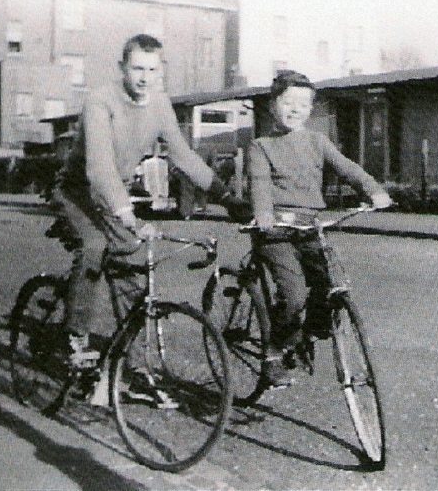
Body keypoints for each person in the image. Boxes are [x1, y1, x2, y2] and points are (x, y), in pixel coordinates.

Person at [52, 34, 248, 370]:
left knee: (130, 267)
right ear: (122, 68)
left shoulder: (159, 103)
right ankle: (74, 336)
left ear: (161, 71)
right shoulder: (101, 101)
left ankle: (132, 363)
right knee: (95, 245)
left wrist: (225, 197)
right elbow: (98, 168)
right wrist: (128, 216)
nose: (144, 77)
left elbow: (183, 156)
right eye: (137, 68)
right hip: (78, 191)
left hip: (114, 194)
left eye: (152, 69)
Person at [247, 70, 393, 387]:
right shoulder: (261, 146)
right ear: (273, 105)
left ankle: (303, 336)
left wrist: (373, 190)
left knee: (327, 290)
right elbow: (259, 183)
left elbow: (347, 167)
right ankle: (274, 350)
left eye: (303, 103)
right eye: (288, 102)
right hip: (276, 232)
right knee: (294, 294)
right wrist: (263, 214)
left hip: (309, 228)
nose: (295, 109)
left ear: (311, 109)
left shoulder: (316, 141)